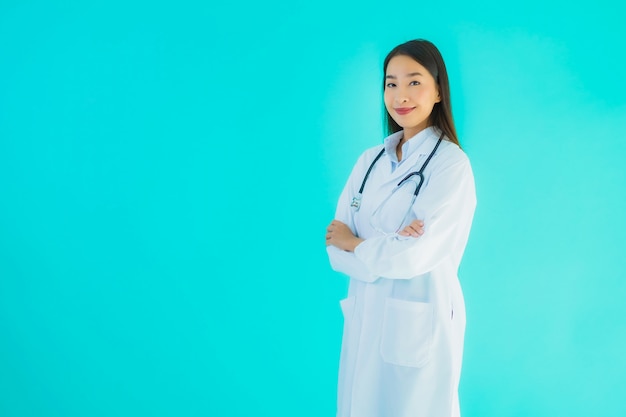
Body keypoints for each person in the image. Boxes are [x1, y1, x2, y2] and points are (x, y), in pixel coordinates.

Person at [325, 39, 476, 417]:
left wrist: (357, 243)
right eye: (391, 83)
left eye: (414, 82)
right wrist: (384, 246)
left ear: (439, 90)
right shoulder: (369, 161)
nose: (400, 95)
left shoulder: (450, 165)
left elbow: (416, 256)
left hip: (419, 324)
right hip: (366, 319)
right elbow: (333, 246)